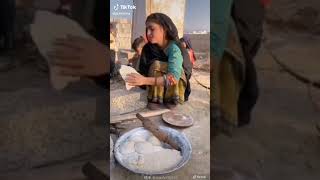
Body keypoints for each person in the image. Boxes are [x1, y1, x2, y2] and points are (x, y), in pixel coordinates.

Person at [126, 13, 192, 110]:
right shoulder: (148, 49)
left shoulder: (175, 48)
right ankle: (155, 99)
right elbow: (143, 71)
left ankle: (171, 100)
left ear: (164, 29)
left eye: (152, 29)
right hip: (154, 89)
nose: (148, 33)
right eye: (147, 29)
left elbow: (173, 78)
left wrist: (144, 80)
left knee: (157, 65)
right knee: (154, 65)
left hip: (174, 86)